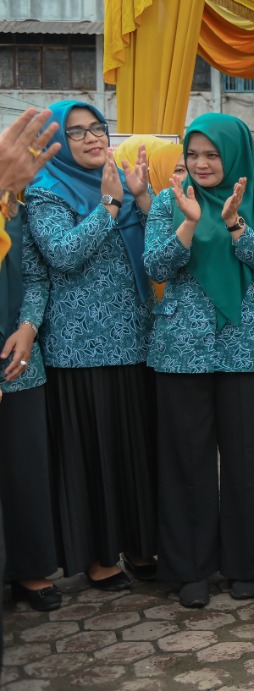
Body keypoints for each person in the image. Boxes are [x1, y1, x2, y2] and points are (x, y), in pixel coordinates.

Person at [146, 114, 254, 608]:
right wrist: (189, 222)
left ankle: (245, 563)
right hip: (183, 348)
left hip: (249, 346)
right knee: (187, 459)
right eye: (193, 154)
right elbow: (157, 266)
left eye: (213, 154)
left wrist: (233, 225)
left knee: (248, 458)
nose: (202, 164)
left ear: (234, 156)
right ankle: (190, 568)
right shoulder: (168, 201)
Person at [25, 100, 158, 591]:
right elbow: (62, 256)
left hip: (137, 339)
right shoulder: (45, 192)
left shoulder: (122, 178)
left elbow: (159, 247)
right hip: (82, 349)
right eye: (76, 132)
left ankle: (141, 543)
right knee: (95, 457)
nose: (90, 138)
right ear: (57, 143)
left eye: (96, 128)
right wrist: (108, 206)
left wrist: (141, 201)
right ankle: (100, 557)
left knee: (135, 451)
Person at [2, 198, 61, 611]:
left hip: (16, 354)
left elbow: (36, 278)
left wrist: (27, 329)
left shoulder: (13, 210)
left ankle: (29, 568)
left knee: (24, 463)